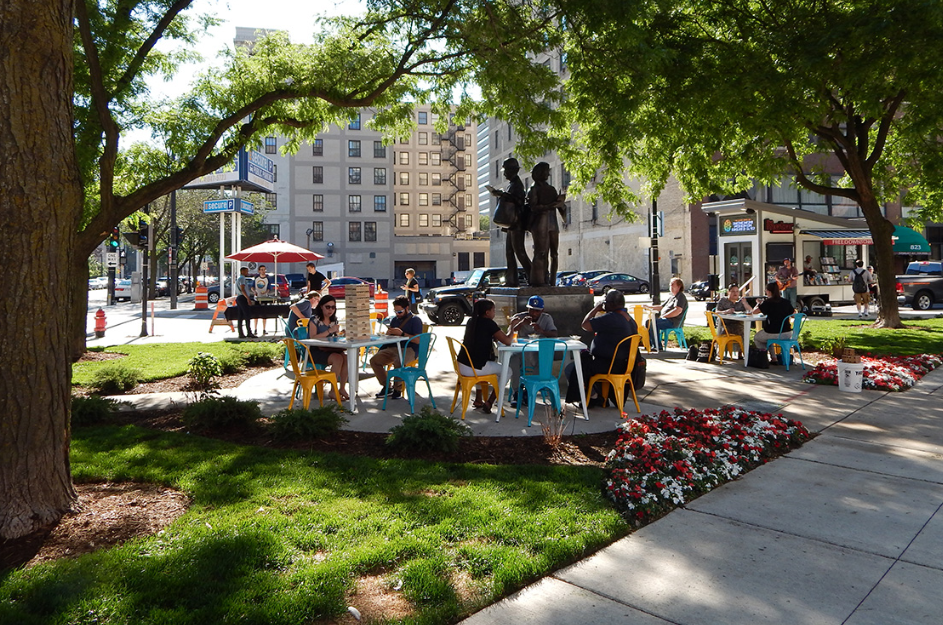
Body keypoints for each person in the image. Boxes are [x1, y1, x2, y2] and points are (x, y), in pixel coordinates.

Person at [565, 289, 637, 407]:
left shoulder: (611, 317)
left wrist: (596, 309)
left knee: (572, 368)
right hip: (625, 365)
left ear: (611, 304)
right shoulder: (629, 319)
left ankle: (593, 397)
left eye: (606, 302)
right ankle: (599, 396)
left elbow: (585, 325)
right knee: (586, 361)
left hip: (609, 365)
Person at [457, 298, 514, 413]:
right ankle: (490, 402)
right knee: (507, 371)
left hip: (462, 365)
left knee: (487, 367)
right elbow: (507, 341)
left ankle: (478, 399)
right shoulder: (489, 323)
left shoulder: (471, 321)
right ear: (487, 313)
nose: (494, 312)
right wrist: (513, 326)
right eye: (493, 310)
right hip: (474, 368)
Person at [506, 295, 558, 408]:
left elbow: (554, 334)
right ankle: (517, 392)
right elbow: (509, 334)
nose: (533, 313)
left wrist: (541, 330)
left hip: (537, 352)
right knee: (512, 360)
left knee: (543, 361)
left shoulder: (546, 318)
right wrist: (521, 324)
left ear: (542, 311)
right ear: (527, 308)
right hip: (521, 352)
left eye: (537, 311)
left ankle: (531, 391)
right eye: (531, 310)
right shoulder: (519, 317)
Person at [371, 295, 423, 400]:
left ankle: (398, 389)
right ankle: (387, 386)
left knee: (399, 360)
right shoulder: (394, 320)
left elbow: (418, 340)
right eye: (396, 312)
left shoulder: (415, 320)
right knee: (374, 361)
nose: (397, 314)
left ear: (407, 308)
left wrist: (402, 333)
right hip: (393, 347)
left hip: (410, 349)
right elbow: (391, 338)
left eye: (400, 312)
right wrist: (388, 334)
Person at [489, 158, 531, 287]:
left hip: (517, 223)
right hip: (512, 224)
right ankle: (512, 280)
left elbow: (519, 201)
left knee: (520, 252)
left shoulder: (517, 184)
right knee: (509, 252)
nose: (505, 173)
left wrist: (503, 195)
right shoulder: (511, 184)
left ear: (513, 170)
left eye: (506, 170)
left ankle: (534, 276)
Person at [525, 162, 566, 287]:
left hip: (553, 223)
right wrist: (549, 206)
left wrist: (560, 204)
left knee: (554, 254)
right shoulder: (533, 189)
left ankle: (552, 282)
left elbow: (562, 210)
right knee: (541, 253)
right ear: (539, 173)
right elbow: (532, 207)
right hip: (540, 223)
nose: (548, 173)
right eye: (546, 171)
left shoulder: (551, 189)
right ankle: (539, 281)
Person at [308, 295, 349, 401]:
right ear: (321, 306)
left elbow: (334, 338)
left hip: (329, 349)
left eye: (333, 307)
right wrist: (329, 331)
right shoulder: (314, 320)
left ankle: (342, 388)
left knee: (346, 358)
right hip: (315, 350)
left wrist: (341, 334)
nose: (331, 310)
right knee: (338, 358)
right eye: (328, 307)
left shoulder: (333, 320)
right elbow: (312, 337)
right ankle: (333, 390)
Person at [751, 281, 795, 364]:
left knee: (757, 338)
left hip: (773, 331)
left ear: (769, 291)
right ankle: (774, 358)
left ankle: (764, 357)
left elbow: (754, 312)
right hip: (787, 332)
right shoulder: (786, 302)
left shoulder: (768, 302)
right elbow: (794, 315)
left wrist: (759, 304)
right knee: (768, 338)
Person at [644, 277, 688, 345]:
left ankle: (657, 345)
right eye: (670, 284)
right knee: (649, 322)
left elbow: (678, 310)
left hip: (673, 322)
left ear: (679, 286)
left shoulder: (680, 296)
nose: (671, 286)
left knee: (652, 323)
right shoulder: (671, 297)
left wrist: (664, 316)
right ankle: (651, 344)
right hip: (666, 319)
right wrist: (648, 307)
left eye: (673, 284)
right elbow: (661, 307)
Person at [715, 284, 748, 358]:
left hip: (737, 323)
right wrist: (726, 312)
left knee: (743, 331)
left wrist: (745, 303)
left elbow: (749, 311)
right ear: (728, 292)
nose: (735, 293)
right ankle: (720, 352)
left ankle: (742, 353)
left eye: (737, 291)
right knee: (725, 332)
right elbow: (716, 311)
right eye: (733, 291)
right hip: (725, 323)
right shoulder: (723, 300)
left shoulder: (740, 301)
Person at [235, 266, 257, 339]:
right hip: (242, 298)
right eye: (246, 271)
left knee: (240, 316)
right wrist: (248, 298)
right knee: (247, 315)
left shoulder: (239, 278)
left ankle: (241, 333)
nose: (247, 273)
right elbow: (242, 289)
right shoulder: (242, 278)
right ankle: (249, 332)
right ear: (242, 271)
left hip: (239, 297)